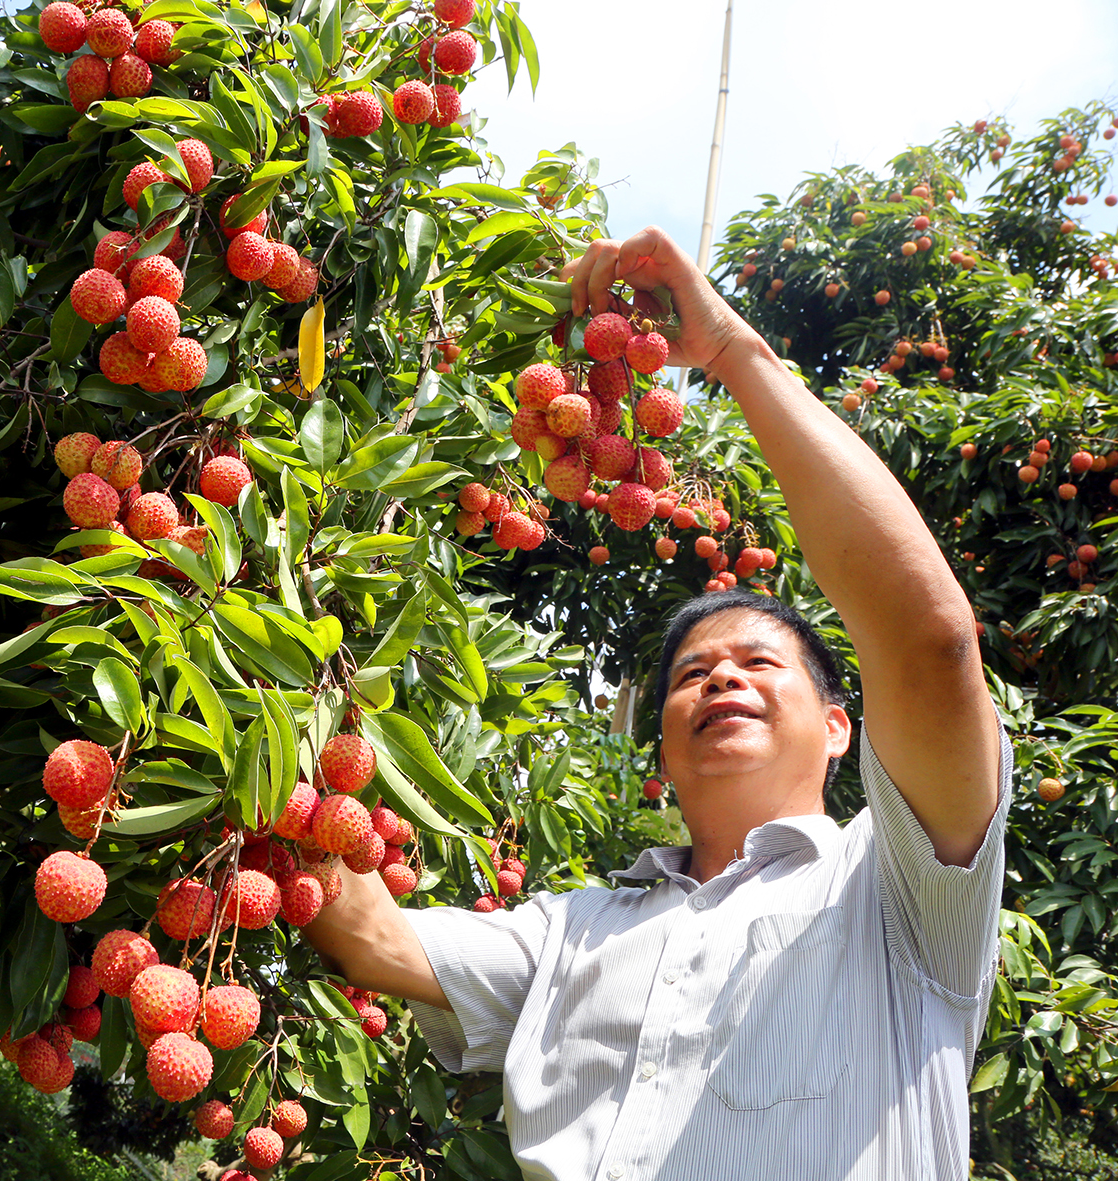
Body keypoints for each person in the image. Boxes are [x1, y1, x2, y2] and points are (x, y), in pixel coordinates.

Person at [302, 226, 1010, 1181]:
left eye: (760, 662)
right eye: (690, 675)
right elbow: (365, 932)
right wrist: (276, 659)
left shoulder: (904, 896)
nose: (721, 677)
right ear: (662, 750)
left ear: (841, 726)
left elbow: (931, 642)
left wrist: (730, 354)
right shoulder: (571, 929)